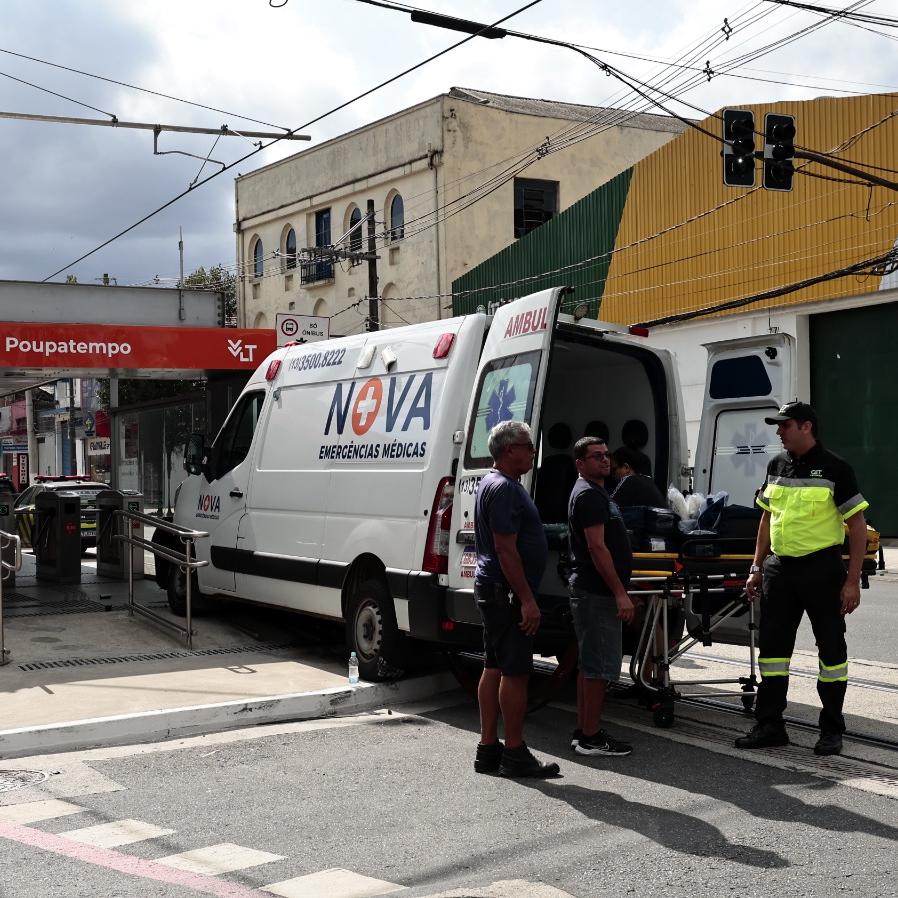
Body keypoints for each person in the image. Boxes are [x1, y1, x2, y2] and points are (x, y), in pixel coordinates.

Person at [736, 401, 869, 757]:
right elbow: (766, 519)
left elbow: (856, 527)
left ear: (806, 426)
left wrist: (852, 580)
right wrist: (756, 566)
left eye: (785, 425)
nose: (779, 431)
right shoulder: (775, 465)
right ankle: (770, 726)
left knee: (831, 652)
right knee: (773, 652)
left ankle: (831, 730)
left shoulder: (836, 469)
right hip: (780, 570)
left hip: (822, 570)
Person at [473, 420, 560, 778]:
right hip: (506, 593)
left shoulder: (492, 483)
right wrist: (526, 599)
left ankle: (488, 748)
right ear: (509, 450)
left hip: (492, 589)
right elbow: (506, 549)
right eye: (528, 445)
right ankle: (514, 751)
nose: (533, 451)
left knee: (494, 666)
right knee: (516, 672)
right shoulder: (506, 489)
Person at [566, 436, 636, 756]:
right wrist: (620, 593)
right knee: (598, 668)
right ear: (580, 463)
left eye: (606, 455)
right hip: (597, 594)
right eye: (596, 456)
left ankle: (584, 731)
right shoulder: (589, 497)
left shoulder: (595, 492)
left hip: (593, 592)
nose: (605, 460)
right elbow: (597, 547)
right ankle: (591, 738)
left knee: (590, 665)